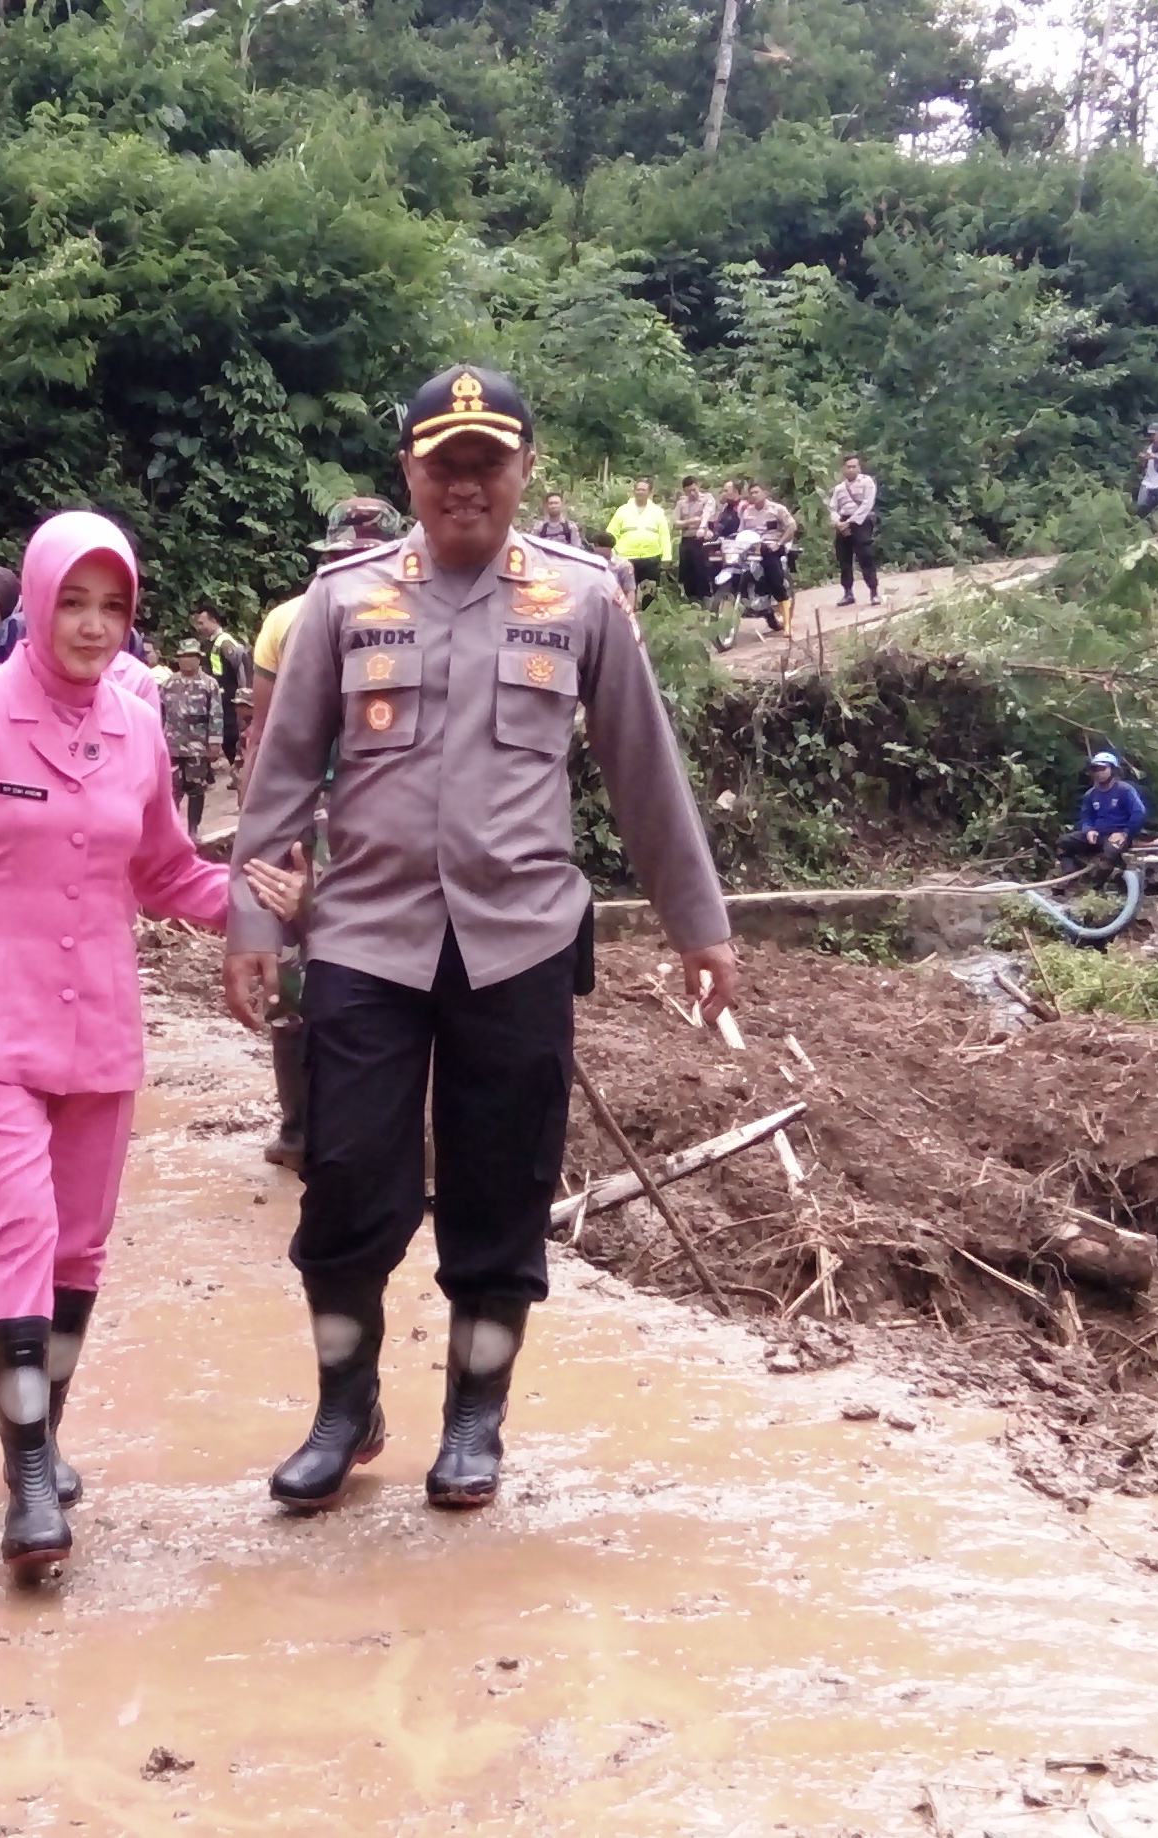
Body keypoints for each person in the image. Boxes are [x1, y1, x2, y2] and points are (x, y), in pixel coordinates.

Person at [225, 365, 736, 1516]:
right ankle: (344, 1402)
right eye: (441, 461)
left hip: (517, 941)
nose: (464, 482)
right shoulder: (343, 603)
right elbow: (279, 772)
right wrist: (255, 920)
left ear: (522, 469)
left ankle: (473, 1417)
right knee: (347, 1176)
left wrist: (698, 924)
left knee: (500, 1187)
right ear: (407, 471)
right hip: (365, 935)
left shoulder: (585, 600)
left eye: (485, 460)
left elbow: (643, 772)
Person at [0, 511, 232, 1576]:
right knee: (16, 1228)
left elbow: (164, 871)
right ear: (33, 598)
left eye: (113, 605)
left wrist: (256, 904)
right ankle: (27, 1470)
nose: (94, 623)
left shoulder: (136, 723)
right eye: (73, 600)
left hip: (98, 1021)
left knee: (78, 1245)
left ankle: (47, 1426)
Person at [246, 497, 405, 1173]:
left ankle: (364, 1130)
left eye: (366, 557)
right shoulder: (286, 622)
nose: (350, 570)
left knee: (373, 966)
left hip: (378, 818)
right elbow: (264, 737)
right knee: (291, 964)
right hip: (306, 815)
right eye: (340, 559)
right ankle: (300, 1125)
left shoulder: (423, 620)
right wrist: (259, 836)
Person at [163, 637, 226, 833]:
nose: (188, 661)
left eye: (192, 656)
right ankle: (171, 830)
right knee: (172, 789)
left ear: (199, 659)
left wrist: (215, 743)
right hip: (172, 744)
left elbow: (216, 714)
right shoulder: (168, 684)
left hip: (197, 746)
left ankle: (193, 828)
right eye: (184, 656)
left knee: (196, 788)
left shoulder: (209, 684)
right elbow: (159, 713)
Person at [1060, 750, 1149, 870]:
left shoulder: (1125, 790)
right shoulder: (1090, 794)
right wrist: (1089, 830)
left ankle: (1094, 883)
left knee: (1109, 853)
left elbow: (1139, 812)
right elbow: (1086, 817)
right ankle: (1069, 875)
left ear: (1113, 769)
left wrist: (1125, 833)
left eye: (1102, 768)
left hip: (1116, 836)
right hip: (1097, 835)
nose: (1098, 773)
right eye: (1095, 769)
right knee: (1063, 842)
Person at [191, 607, 251, 770]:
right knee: (223, 735)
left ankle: (241, 769)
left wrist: (244, 693)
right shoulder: (210, 643)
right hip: (219, 698)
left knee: (231, 735)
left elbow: (242, 667)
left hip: (230, 698)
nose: (199, 627)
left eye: (202, 623)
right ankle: (237, 769)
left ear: (214, 621)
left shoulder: (225, 642)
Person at [740, 481, 798, 629]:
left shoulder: (777, 509)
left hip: (772, 547)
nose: (754, 495)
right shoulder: (747, 512)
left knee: (775, 579)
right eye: (751, 493)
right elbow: (741, 532)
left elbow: (792, 526)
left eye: (756, 492)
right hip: (752, 548)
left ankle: (787, 623)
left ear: (765, 493)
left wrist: (779, 543)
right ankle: (748, 599)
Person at [826, 454, 881, 608]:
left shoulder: (867, 482)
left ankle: (873, 592)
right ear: (843, 469)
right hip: (843, 521)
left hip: (861, 521)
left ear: (859, 468)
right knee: (844, 559)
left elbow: (867, 504)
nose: (850, 469)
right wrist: (838, 522)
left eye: (853, 466)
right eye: (848, 467)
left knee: (865, 557)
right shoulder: (839, 488)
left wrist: (849, 522)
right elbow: (833, 507)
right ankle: (848, 593)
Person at [604, 476, 673, 594]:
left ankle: (648, 612)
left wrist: (667, 557)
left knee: (650, 591)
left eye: (643, 490)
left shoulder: (657, 512)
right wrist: (609, 554)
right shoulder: (622, 510)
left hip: (651, 558)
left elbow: (664, 535)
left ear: (649, 492)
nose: (640, 492)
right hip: (626, 558)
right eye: (638, 489)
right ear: (634, 491)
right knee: (626, 590)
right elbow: (611, 533)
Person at [671, 477, 716, 601]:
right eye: (688, 491)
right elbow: (675, 524)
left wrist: (701, 527)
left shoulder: (707, 499)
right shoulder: (681, 503)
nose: (692, 493)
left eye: (693, 489)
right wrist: (690, 521)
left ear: (698, 486)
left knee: (702, 569)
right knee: (687, 570)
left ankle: (706, 598)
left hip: (702, 539)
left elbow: (707, 514)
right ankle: (691, 598)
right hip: (687, 538)